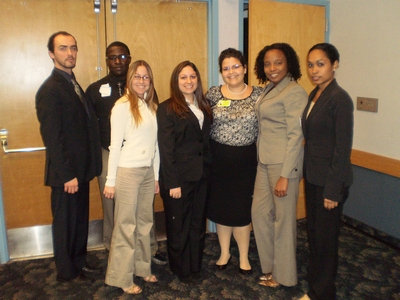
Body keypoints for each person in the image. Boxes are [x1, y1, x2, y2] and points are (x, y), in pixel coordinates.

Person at [85, 41, 167, 265]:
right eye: (112, 57)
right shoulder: (95, 89)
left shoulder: (145, 89)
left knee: (143, 204)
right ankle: (115, 249)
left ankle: (148, 248)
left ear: (129, 59)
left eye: (122, 57)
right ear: (107, 61)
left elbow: (155, 124)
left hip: (139, 157)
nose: (117, 61)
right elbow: (89, 126)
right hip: (108, 153)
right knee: (111, 203)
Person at [35, 31, 102, 282]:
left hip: (81, 170)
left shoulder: (72, 83)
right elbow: (53, 139)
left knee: (79, 220)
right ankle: (67, 270)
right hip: (67, 174)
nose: (70, 53)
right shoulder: (50, 90)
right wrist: (67, 175)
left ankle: (79, 261)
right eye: (63, 48)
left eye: (73, 48)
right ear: (52, 54)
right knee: (66, 223)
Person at [299, 43, 353, 300]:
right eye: (310, 64)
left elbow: (343, 150)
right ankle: (316, 283)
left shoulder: (339, 98)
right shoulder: (315, 94)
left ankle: (322, 293)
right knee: (314, 235)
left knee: (325, 240)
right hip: (314, 177)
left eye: (320, 64)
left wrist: (333, 189)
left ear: (335, 64)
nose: (314, 70)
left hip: (330, 182)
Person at [251, 43, 307, 288]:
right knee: (260, 214)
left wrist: (286, 174)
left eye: (278, 62)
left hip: (284, 165)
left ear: (289, 64)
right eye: (267, 63)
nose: (272, 68)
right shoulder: (269, 89)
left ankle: (284, 276)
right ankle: (270, 267)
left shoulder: (294, 92)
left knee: (283, 222)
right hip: (264, 161)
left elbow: (296, 136)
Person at [103, 60, 159, 295]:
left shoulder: (150, 106)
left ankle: (142, 267)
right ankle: (121, 277)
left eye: (145, 77)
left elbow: (155, 145)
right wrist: (110, 181)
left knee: (144, 223)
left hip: (147, 172)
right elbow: (114, 146)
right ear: (129, 79)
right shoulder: (122, 106)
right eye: (137, 76)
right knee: (126, 226)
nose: (141, 81)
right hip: (127, 172)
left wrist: (155, 176)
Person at [206, 48, 263, 274]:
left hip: (246, 161)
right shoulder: (213, 94)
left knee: (241, 209)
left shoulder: (259, 95)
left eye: (236, 66)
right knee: (222, 208)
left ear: (245, 68)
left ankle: (244, 256)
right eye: (226, 68)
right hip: (218, 160)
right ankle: (224, 253)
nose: (232, 72)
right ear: (221, 72)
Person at [157, 61, 212, 283]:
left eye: (192, 77)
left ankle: (195, 265)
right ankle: (180, 269)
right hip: (178, 178)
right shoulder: (167, 108)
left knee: (197, 223)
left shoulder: (204, 105)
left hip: (202, 176)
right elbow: (166, 149)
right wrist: (172, 183)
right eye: (183, 77)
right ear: (176, 81)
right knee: (178, 226)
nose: (189, 81)